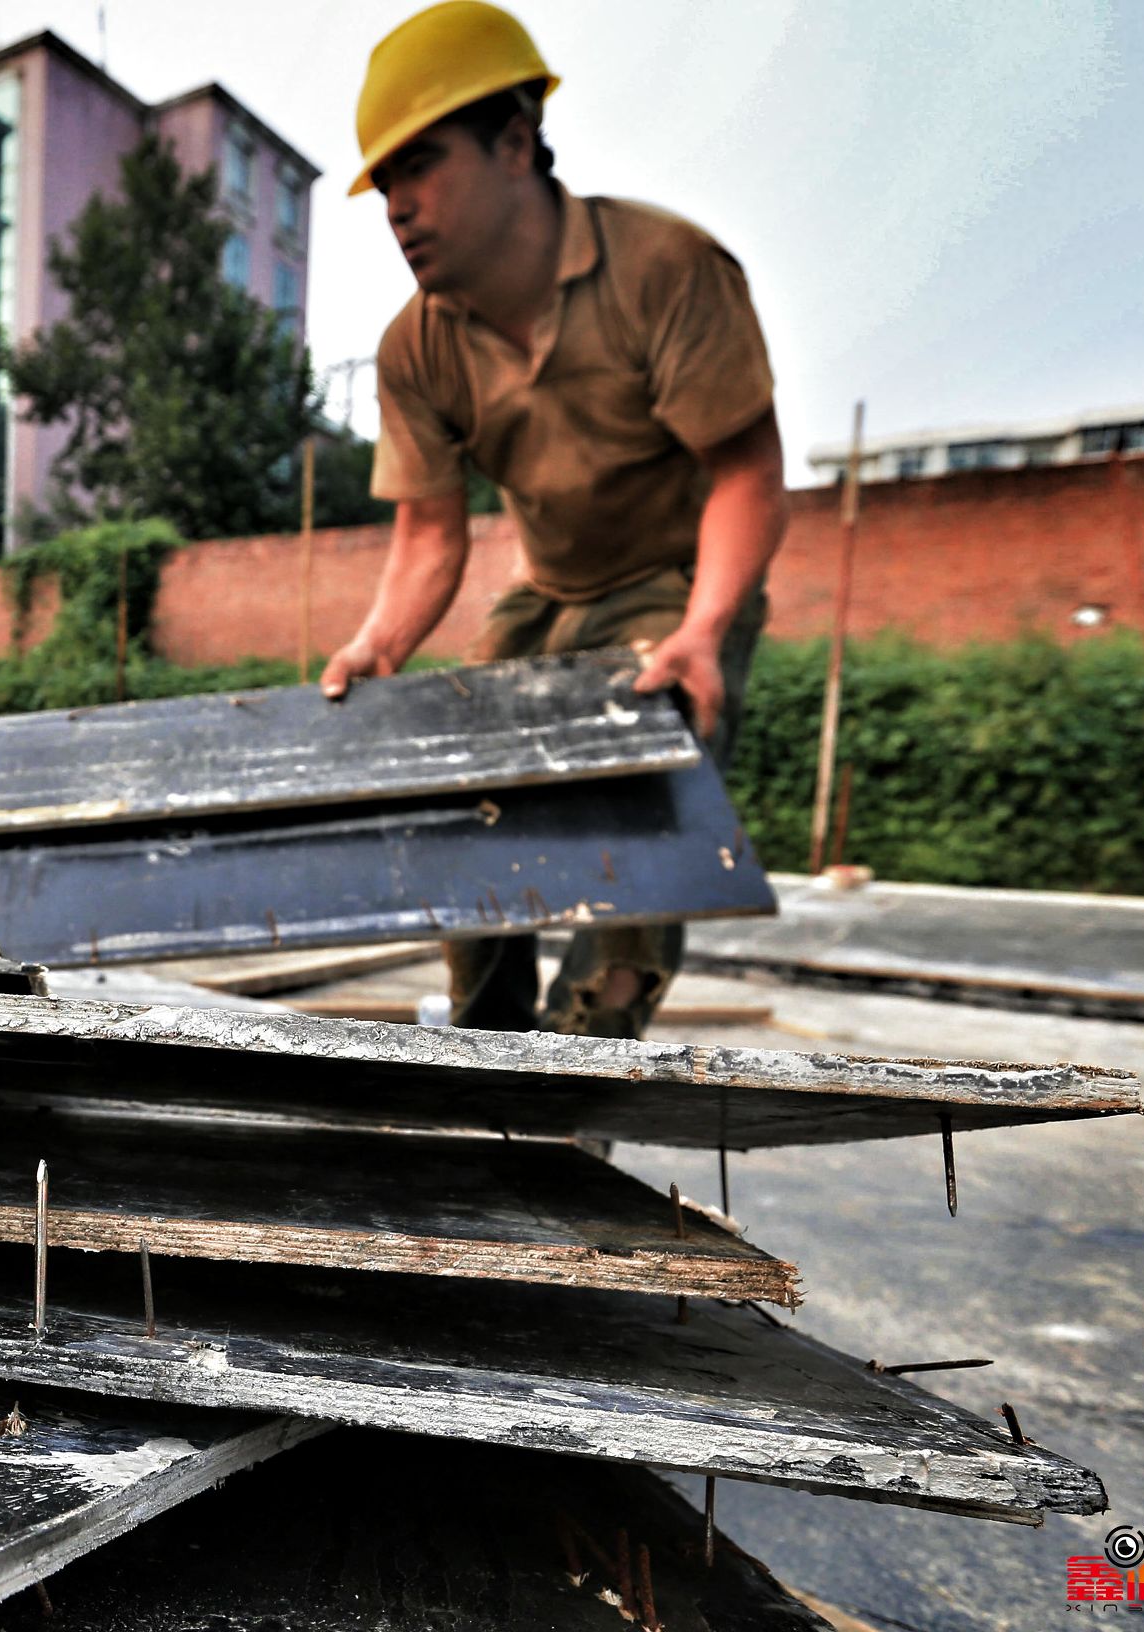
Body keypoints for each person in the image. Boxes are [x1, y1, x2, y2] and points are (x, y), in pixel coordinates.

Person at [321, 0, 789, 1038]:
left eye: (421, 165)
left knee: (642, 758)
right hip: (549, 591)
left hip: (680, 579)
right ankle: (485, 1042)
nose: (398, 205)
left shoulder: (663, 270)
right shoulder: (417, 348)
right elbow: (430, 535)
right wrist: (380, 641)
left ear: (515, 143)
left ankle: (596, 1039)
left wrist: (706, 627)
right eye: (384, 182)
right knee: (465, 765)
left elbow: (748, 473)